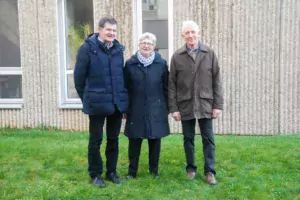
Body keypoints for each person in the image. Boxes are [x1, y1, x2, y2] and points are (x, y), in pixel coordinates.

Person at [74, 17, 129, 188]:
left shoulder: (119, 50)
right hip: (96, 104)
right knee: (96, 140)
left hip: (115, 104)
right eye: (108, 30)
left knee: (113, 139)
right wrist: (87, 99)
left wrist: (122, 100)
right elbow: (79, 78)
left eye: (114, 30)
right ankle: (95, 174)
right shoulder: (87, 49)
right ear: (100, 30)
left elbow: (121, 78)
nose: (112, 33)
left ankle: (111, 172)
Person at [168, 21, 223, 185]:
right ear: (182, 36)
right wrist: (174, 108)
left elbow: (217, 80)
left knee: (208, 139)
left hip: (206, 103)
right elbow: (171, 84)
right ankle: (191, 169)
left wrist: (217, 105)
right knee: (188, 138)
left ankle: (210, 172)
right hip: (185, 104)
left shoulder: (209, 53)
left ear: (198, 33)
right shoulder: (177, 56)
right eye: (187, 33)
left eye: (193, 32)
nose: (190, 35)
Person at [123, 32, 170, 179]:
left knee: (155, 140)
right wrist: (125, 108)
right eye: (143, 42)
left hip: (156, 108)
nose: (146, 45)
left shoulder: (161, 64)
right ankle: (132, 172)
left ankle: (154, 171)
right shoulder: (130, 64)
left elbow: (166, 87)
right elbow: (125, 88)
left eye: (149, 43)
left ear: (154, 47)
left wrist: (166, 107)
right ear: (138, 45)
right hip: (135, 108)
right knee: (134, 141)